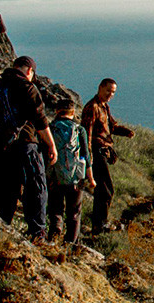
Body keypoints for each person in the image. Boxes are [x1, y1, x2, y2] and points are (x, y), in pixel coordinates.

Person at [0, 55, 57, 240]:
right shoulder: (27, 87)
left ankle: (0, 229)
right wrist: (51, 145)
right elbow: (40, 119)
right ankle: (37, 233)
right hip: (25, 144)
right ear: (29, 71)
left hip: (0, 148)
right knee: (36, 188)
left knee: (4, 191)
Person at [81, 78, 135, 234]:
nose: (110, 94)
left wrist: (125, 132)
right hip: (97, 152)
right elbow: (87, 134)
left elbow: (111, 126)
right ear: (100, 88)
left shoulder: (104, 107)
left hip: (104, 151)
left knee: (103, 190)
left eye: (113, 92)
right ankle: (99, 225)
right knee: (105, 190)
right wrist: (88, 157)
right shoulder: (92, 108)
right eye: (108, 91)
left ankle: (100, 224)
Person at [46, 96, 96, 244]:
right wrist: (91, 178)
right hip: (76, 178)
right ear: (73, 112)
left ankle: (54, 234)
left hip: (55, 177)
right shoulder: (79, 129)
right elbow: (86, 155)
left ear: (57, 111)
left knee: (55, 208)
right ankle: (70, 243)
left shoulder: (50, 128)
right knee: (74, 213)